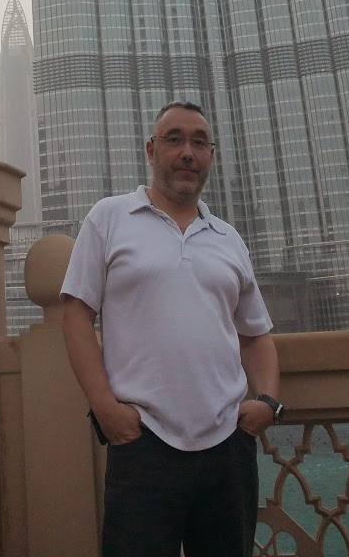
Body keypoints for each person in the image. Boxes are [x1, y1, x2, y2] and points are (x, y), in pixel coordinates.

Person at [60, 100, 281, 557]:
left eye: (199, 143)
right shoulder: (109, 218)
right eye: (174, 140)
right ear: (151, 150)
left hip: (227, 445)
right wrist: (105, 409)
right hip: (143, 442)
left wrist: (267, 402)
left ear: (211, 156)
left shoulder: (227, 238)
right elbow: (77, 315)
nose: (187, 153)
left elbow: (256, 334)